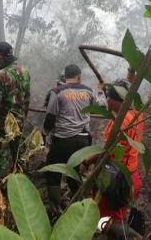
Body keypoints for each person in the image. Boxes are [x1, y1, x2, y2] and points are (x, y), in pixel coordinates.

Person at [43, 64, 107, 213]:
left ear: (65, 77)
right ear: (79, 76)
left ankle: (55, 209)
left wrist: (45, 134)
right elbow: (103, 105)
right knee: (75, 174)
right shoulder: (88, 91)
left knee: (53, 173)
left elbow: (50, 117)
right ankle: (81, 209)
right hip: (83, 142)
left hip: (63, 141)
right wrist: (100, 91)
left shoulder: (57, 92)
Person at [94, 79, 144, 239]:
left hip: (117, 180)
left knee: (101, 219)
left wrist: (86, 161)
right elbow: (129, 85)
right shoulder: (136, 114)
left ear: (114, 100)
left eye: (107, 97)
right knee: (116, 216)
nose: (105, 101)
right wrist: (130, 73)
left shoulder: (120, 124)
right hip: (132, 177)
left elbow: (107, 152)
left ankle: (131, 237)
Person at [0, 41, 30, 177]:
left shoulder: (0, 76)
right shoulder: (24, 72)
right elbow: (27, 99)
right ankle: (22, 180)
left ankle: (1, 187)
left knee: (1, 153)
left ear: (1, 57)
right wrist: (23, 116)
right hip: (19, 121)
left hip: (4, 123)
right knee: (19, 152)